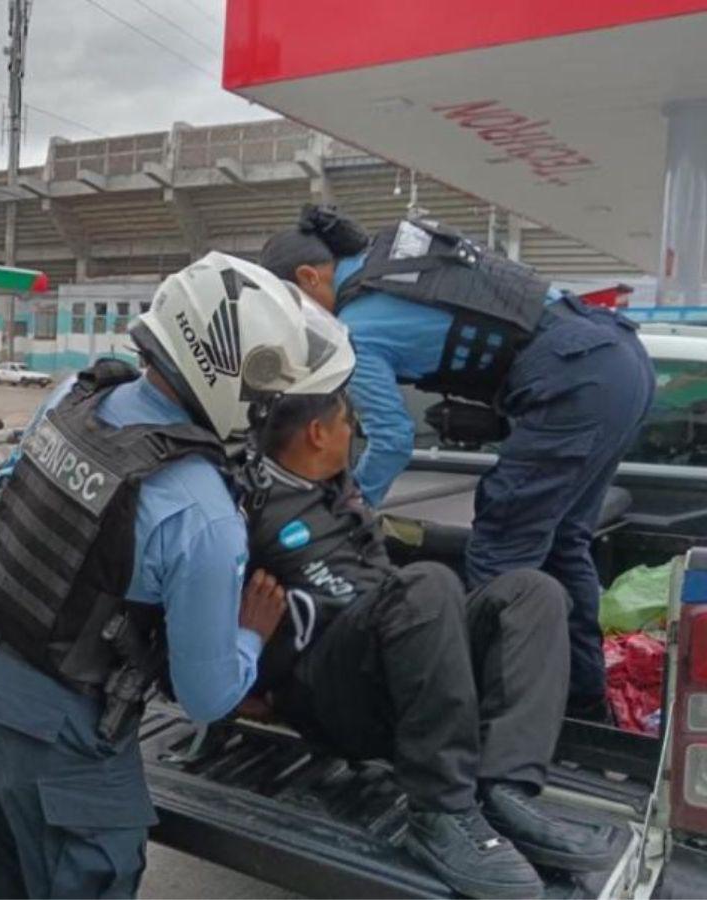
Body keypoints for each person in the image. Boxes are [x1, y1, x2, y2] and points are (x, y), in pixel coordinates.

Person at [0, 252, 354, 899]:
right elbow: (206, 694)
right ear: (232, 378)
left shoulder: (76, 397)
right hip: (58, 724)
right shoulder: (200, 511)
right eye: (272, 390)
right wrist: (250, 633)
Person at [259, 204, 655, 721]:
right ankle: (583, 700)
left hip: (574, 377)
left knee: (498, 551)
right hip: (619, 357)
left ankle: (474, 720)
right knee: (563, 543)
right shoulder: (399, 263)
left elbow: (394, 438)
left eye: (289, 303)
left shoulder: (356, 327)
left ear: (311, 277)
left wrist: (350, 515)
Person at [241, 387, 616, 898]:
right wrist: (240, 682)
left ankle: (503, 786)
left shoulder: (337, 485)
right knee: (427, 584)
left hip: (399, 656)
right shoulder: (247, 504)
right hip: (331, 691)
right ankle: (439, 812)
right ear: (318, 432)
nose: (357, 432)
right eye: (349, 422)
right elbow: (190, 610)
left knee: (534, 592)